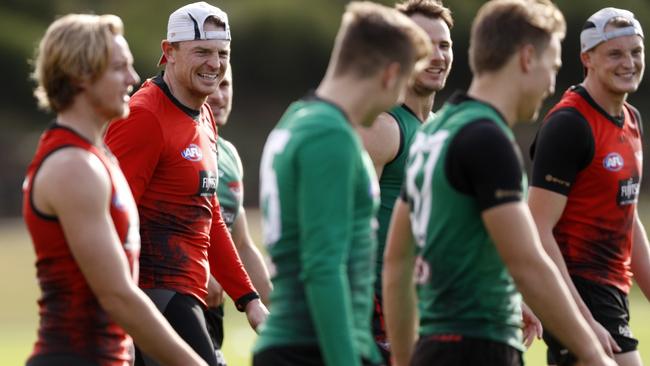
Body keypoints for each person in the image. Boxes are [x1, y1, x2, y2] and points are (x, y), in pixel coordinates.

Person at [382, 0, 617, 365]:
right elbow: (527, 262)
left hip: (433, 346)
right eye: (551, 66)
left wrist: (402, 355)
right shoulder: (486, 138)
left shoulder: (435, 132)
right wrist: (593, 354)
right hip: (480, 346)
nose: (551, 84)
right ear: (526, 58)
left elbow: (397, 260)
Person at [253, 2, 432, 365]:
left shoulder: (299, 118)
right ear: (390, 74)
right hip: (312, 346)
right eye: (402, 84)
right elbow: (323, 266)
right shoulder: (328, 135)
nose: (398, 98)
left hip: (309, 343)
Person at [23, 13, 207, 366]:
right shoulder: (73, 166)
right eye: (119, 68)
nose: (133, 78)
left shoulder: (96, 156)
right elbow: (118, 295)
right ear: (81, 75)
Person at [104, 2, 268, 365]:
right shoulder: (144, 115)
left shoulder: (204, 114)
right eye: (202, 52)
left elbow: (208, 213)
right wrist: (117, 315)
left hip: (189, 295)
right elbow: (113, 219)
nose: (214, 63)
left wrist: (249, 299)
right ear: (169, 53)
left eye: (222, 53)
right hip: (154, 293)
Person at [528, 7, 650, 366]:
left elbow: (628, 219)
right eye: (615, 53)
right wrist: (580, 318)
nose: (628, 62)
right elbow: (537, 228)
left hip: (611, 293)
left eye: (636, 52)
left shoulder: (630, 118)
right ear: (587, 59)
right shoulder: (569, 125)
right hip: (578, 289)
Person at [354, 1, 453, 362]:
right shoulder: (384, 126)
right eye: (424, 45)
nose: (438, 56)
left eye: (444, 45)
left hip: (432, 309)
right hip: (380, 315)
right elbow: (351, 227)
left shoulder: (444, 129)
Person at [203, 65, 273, 366]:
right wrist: (200, 272)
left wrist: (277, 315)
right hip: (170, 303)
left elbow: (242, 244)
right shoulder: (172, 142)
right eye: (211, 86)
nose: (219, 96)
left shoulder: (229, 153)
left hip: (212, 312)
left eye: (226, 85)